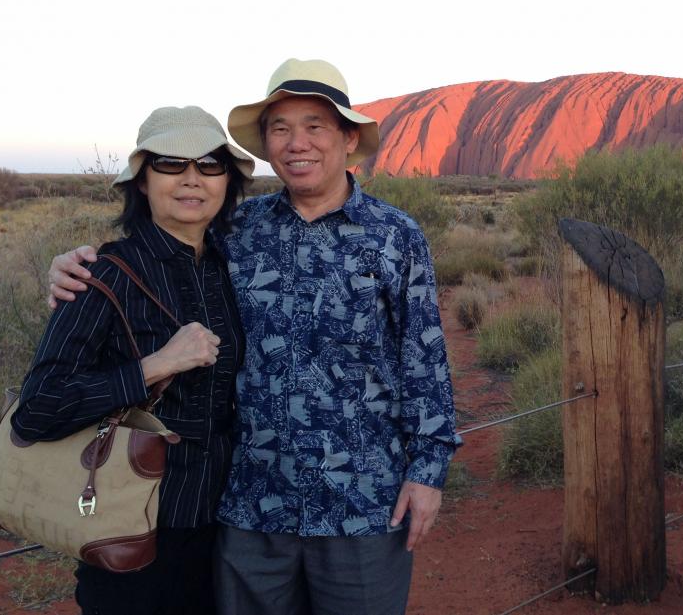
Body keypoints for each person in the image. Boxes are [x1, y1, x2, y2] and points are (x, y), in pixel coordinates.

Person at [49, 59, 461, 615]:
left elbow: (425, 361)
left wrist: (428, 473)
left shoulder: (395, 237)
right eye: (280, 128)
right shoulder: (237, 231)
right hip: (249, 503)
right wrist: (75, 267)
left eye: (315, 125)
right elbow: (161, 255)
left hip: (364, 501)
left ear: (346, 137)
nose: (298, 143)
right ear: (265, 144)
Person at [17, 106, 254, 614]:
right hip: (132, 530)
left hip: (223, 524)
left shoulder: (229, 264)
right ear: (142, 181)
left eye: (211, 165)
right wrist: (155, 365)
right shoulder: (104, 276)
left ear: (226, 181)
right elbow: (39, 407)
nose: (193, 179)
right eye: (171, 164)